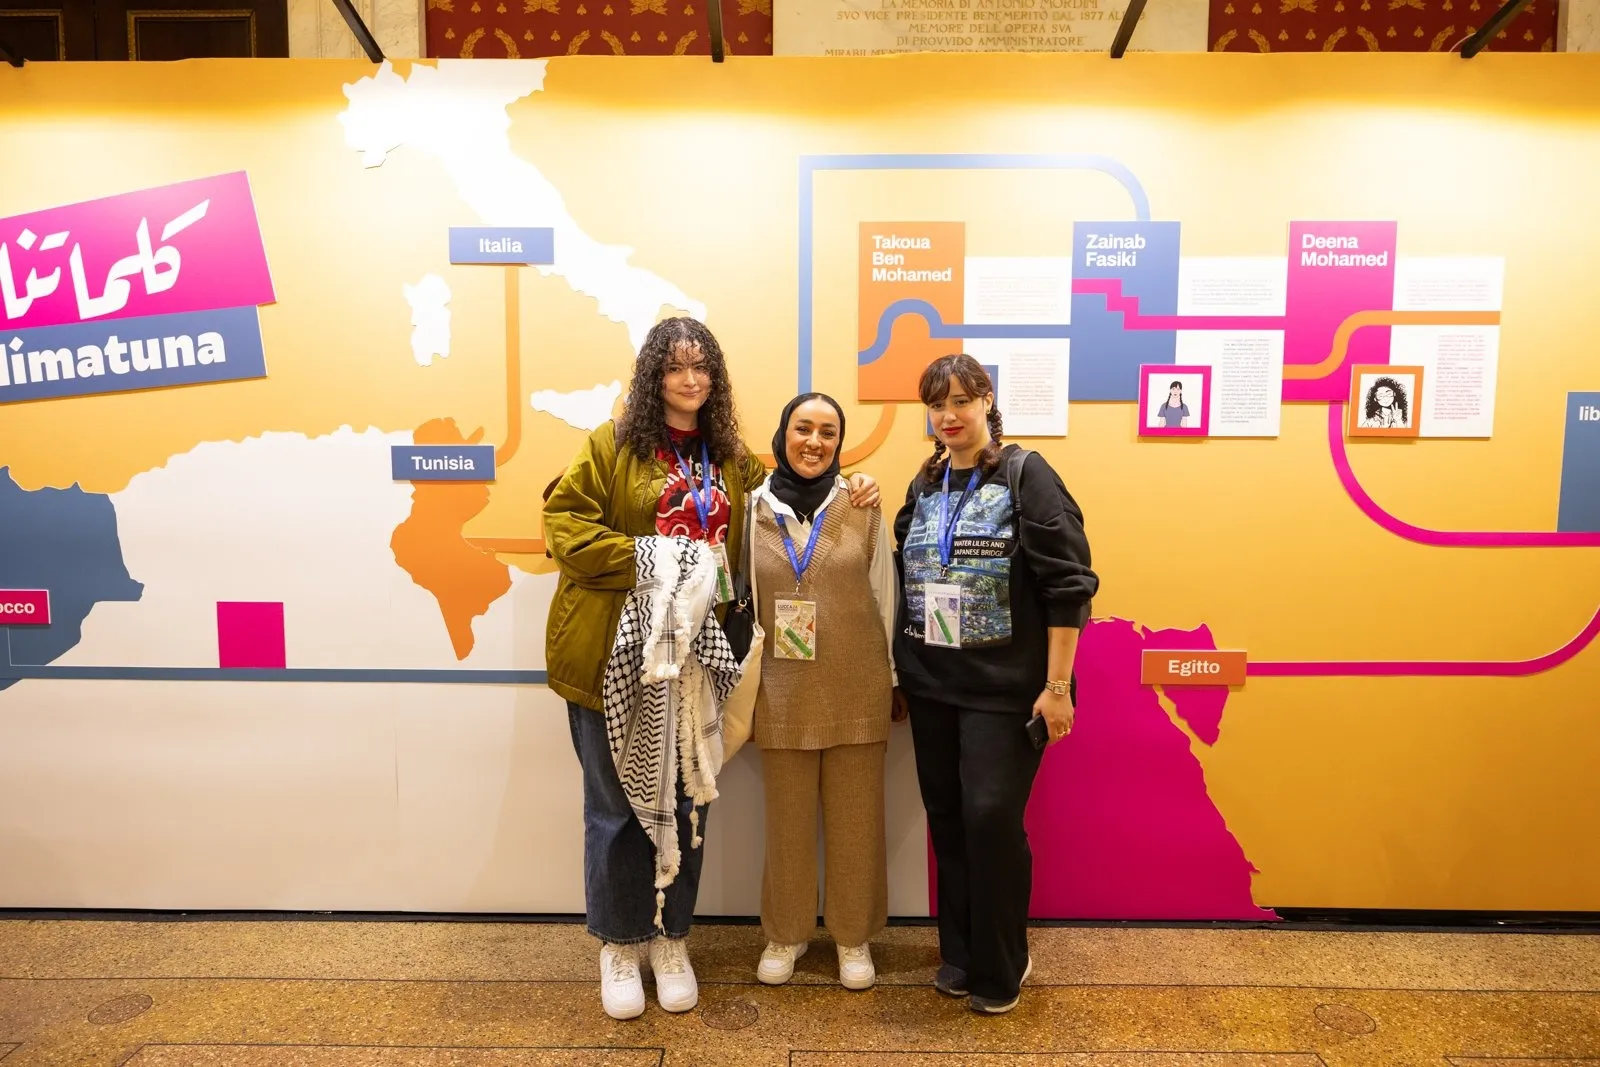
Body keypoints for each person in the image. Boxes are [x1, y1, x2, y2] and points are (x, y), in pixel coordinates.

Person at [543, 317, 880, 1022]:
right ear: (652, 376)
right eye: (674, 367)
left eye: (701, 368)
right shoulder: (611, 446)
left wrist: (860, 486)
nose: (689, 380)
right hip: (614, 656)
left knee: (687, 804)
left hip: (699, 662)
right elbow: (565, 526)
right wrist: (652, 556)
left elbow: (791, 498)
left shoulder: (728, 458)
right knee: (616, 812)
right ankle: (619, 944)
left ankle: (671, 941)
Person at [893, 353, 1098, 1015]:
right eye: (937, 404)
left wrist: (1058, 686)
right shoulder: (925, 482)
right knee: (949, 819)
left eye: (960, 400)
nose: (948, 415)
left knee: (990, 819)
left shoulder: (1025, 474)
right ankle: (961, 950)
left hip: (1003, 689)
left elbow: (1069, 584)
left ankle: (1003, 959)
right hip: (931, 683)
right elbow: (904, 566)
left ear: (986, 400)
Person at [746, 392, 904, 992]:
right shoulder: (751, 507)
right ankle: (785, 934)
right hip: (781, 690)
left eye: (828, 433)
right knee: (785, 821)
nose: (814, 442)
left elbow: (886, 598)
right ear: (783, 432)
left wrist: (893, 681)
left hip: (857, 685)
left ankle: (852, 937)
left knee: (857, 819)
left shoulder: (861, 504)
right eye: (803, 428)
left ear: (840, 443)